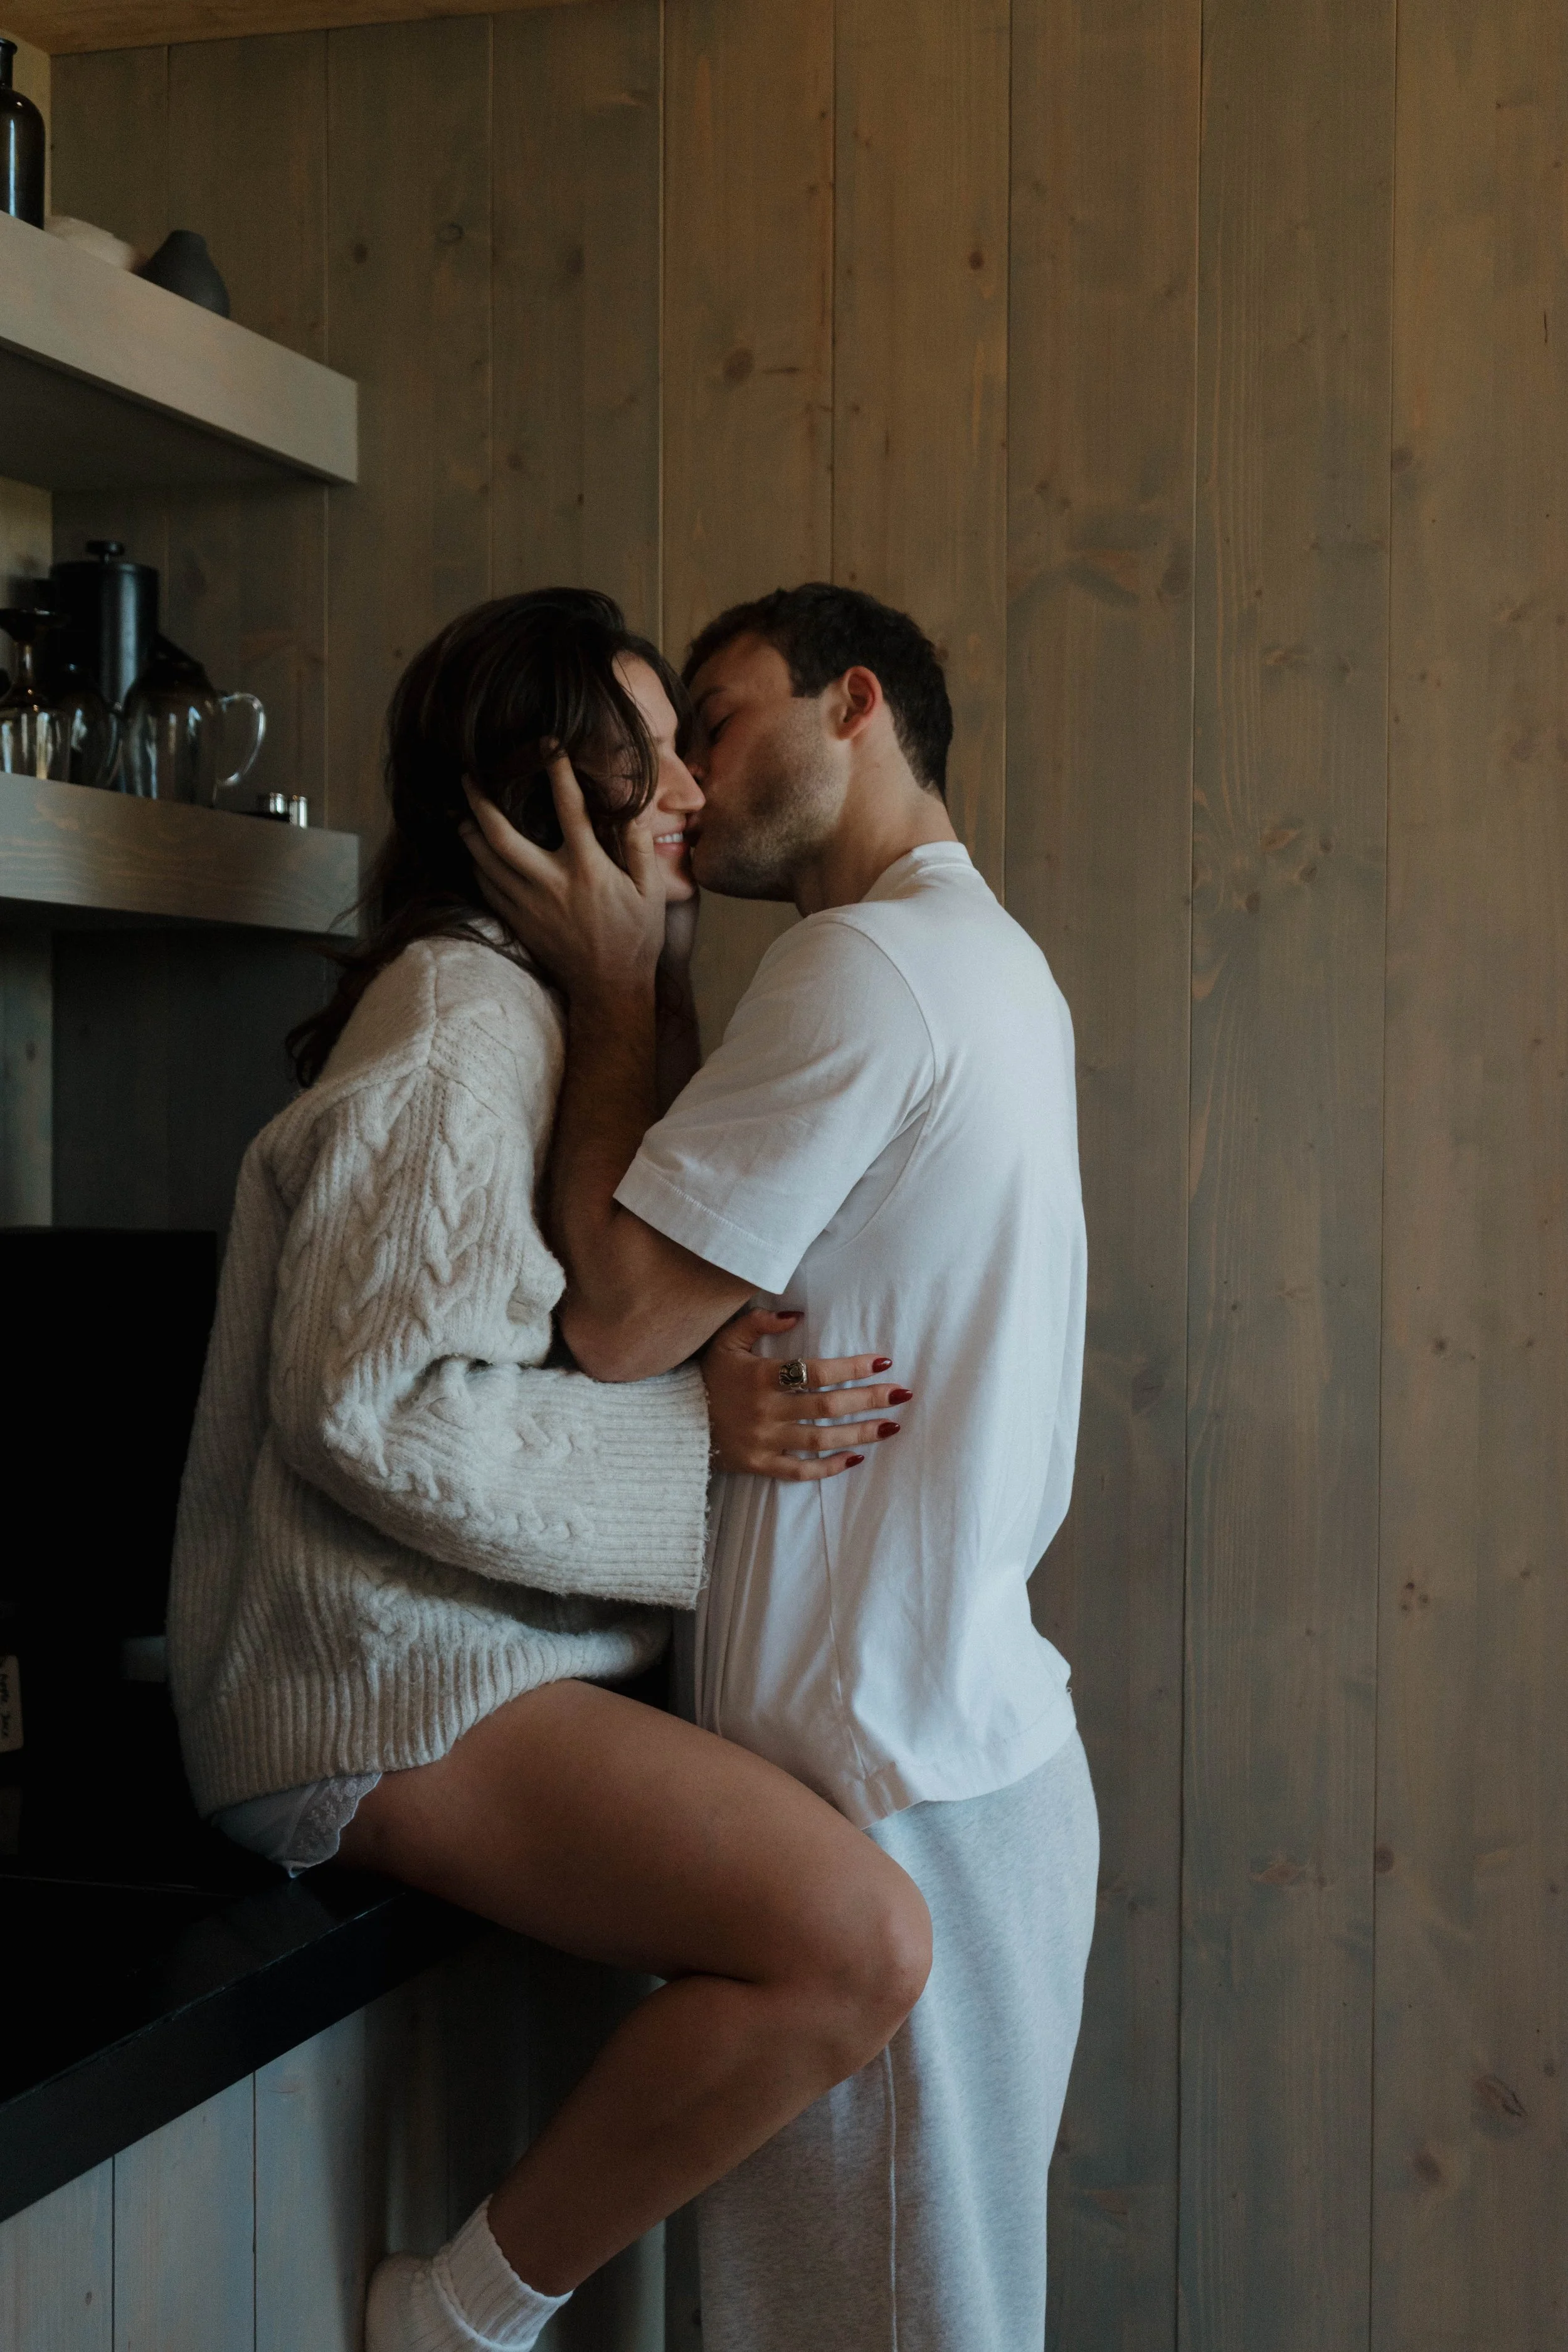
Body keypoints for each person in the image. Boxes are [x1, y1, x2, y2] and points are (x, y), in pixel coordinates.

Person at [165, 588, 933, 2352]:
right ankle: (453, 2321)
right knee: (855, 1940)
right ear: (535, 799)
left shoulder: (550, 1010)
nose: (688, 789)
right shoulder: (454, 1027)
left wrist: (634, 994)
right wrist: (697, 1443)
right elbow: (377, 1408)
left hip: (475, 1659)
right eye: (646, 751)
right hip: (359, 1677)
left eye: (685, 746)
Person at [462, 581, 1099, 2352]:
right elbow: (700, 1277)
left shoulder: (863, 964)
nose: (681, 782)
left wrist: (606, 985)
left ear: (856, 707)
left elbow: (616, 1308)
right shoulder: (981, 962)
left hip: (887, 1786)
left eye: (716, 725)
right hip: (944, 1761)